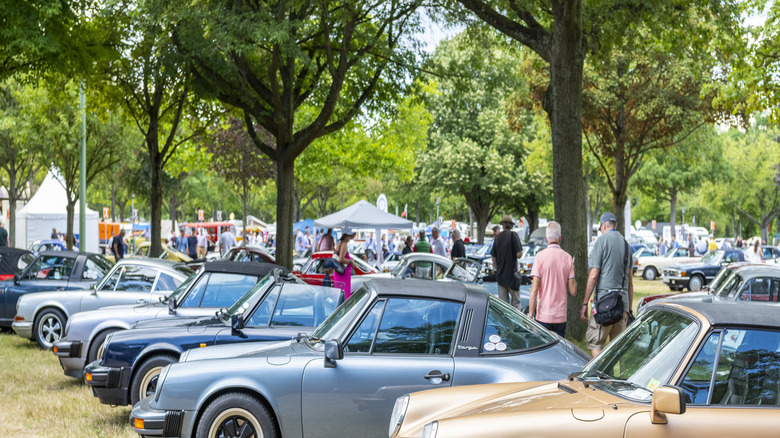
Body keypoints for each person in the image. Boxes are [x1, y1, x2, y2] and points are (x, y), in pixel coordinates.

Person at [580, 212, 633, 358]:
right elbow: (630, 282)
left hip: (604, 306)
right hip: (622, 306)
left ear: (603, 225)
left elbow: (594, 275)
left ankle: (602, 375)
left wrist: (585, 303)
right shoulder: (627, 245)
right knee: (618, 351)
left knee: (595, 344)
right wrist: (629, 309)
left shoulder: (601, 241)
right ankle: (620, 379)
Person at [528, 221, 576, 338]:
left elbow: (534, 289)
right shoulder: (568, 258)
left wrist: (530, 315)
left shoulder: (540, 257)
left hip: (543, 316)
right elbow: (573, 291)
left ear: (545, 239)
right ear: (560, 238)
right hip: (560, 317)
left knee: (543, 352)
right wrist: (573, 267)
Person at [491, 215, 523, 309]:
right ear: (511, 226)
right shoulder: (514, 235)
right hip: (512, 276)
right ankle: (515, 324)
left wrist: (497, 268)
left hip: (501, 276)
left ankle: (504, 324)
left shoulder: (497, 237)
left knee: (503, 307)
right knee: (516, 304)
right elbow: (519, 254)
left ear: (503, 225)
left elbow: (493, 257)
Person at [333, 228, 357, 299]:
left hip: (339, 273)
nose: (350, 237)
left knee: (338, 295)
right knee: (344, 295)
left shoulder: (339, 243)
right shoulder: (344, 244)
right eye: (349, 236)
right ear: (346, 236)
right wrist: (351, 261)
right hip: (343, 274)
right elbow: (341, 259)